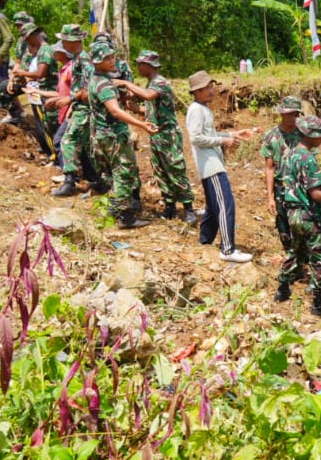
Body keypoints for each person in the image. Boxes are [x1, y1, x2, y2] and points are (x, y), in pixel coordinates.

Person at [113, 51, 197, 224]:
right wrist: (136, 109)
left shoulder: (160, 82)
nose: (137, 68)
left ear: (148, 65)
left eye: (140, 64)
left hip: (168, 135)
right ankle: (170, 206)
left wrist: (125, 83)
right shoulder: (151, 83)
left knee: (175, 169)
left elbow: (149, 96)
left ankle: (189, 208)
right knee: (160, 172)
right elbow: (152, 108)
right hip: (156, 135)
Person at [87, 40, 157, 229]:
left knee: (114, 174)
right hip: (113, 137)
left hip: (102, 135)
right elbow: (115, 111)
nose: (112, 61)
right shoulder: (103, 85)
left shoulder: (96, 79)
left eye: (112, 57)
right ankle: (122, 216)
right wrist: (141, 123)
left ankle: (113, 212)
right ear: (96, 61)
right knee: (124, 174)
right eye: (107, 58)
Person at [186, 70, 256, 261]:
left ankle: (205, 242)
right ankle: (228, 250)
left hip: (213, 164)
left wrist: (234, 134)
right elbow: (196, 138)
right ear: (197, 91)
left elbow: (210, 135)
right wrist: (222, 142)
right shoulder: (196, 110)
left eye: (211, 86)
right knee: (225, 204)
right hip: (211, 166)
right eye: (206, 88)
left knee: (212, 207)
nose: (211, 91)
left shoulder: (203, 109)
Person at [281, 115, 321, 315]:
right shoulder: (308, 158)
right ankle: (319, 303)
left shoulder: (290, 153)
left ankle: (282, 289)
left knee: (296, 252)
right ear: (310, 136)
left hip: (293, 214)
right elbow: (315, 193)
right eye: (319, 135)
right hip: (309, 216)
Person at [53, 25, 107, 197]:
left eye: (64, 39)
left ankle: (70, 181)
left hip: (85, 109)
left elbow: (89, 89)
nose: (62, 42)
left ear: (71, 41)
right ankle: (100, 181)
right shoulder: (79, 59)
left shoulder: (84, 61)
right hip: (80, 108)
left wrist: (70, 99)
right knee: (87, 147)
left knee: (67, 141)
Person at [261, 96, 304, 295]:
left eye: (294, 114)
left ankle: (300, 263)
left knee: (302, 227)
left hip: (300, 189)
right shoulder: (271, 136)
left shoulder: (304, 135)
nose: (290, 117)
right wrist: (270, 196)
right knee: (284, 228)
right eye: (287, 113)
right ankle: (292, 264)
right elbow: (269, 168)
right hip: (280, 188)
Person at [10, 23, 58, 161]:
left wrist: (21, 72)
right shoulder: (39, 51)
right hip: (39, 92)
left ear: (32, 36)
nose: (26, 42)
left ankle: (54, 156)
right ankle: (51, 154)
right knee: (41, 125)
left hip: (46, 93)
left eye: (27, 38)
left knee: (48, 126)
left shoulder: (45, 50)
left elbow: (40, 74)